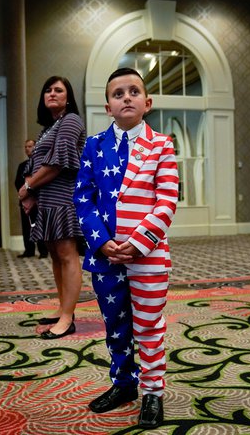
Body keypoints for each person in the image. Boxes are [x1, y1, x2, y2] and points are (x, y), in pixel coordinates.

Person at [73, 68, 179, 429]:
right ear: (108, 106)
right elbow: (82, 198)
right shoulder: (93, 145)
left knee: (149, 326)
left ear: (147, 103)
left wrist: (135, 244)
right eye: (119, 93)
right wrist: (102, 243)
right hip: (105, 257)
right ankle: (124, 384)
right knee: (114, 323)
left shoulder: (162, 145)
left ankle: (152, 392)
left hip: (147, 256)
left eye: (134, 91)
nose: (127, 97)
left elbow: (166, 202)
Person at [17, 75, 85, 339]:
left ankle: (68, 318)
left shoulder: (70, 120)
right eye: (48, 90)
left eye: (59, 90)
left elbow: (58, 163)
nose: (52, 93)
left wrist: (28, 187)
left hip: (64, 198)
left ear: (68, 97)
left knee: (67, 255)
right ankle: (62, 307)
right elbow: (37, 163)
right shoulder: (48, 127)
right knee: (55, 256)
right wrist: (32, 193)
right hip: (47, 199)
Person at [14, 139, 48, 259]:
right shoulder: (22, 166)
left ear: (35, 147)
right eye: (26, 147)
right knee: (26, 226)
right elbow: (17, 182)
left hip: (39, 199)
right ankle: (29, 250)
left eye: (30, 146)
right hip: (25, 200)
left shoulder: (41, 164)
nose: (27, 149)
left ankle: (43, 250)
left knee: (39, 225)